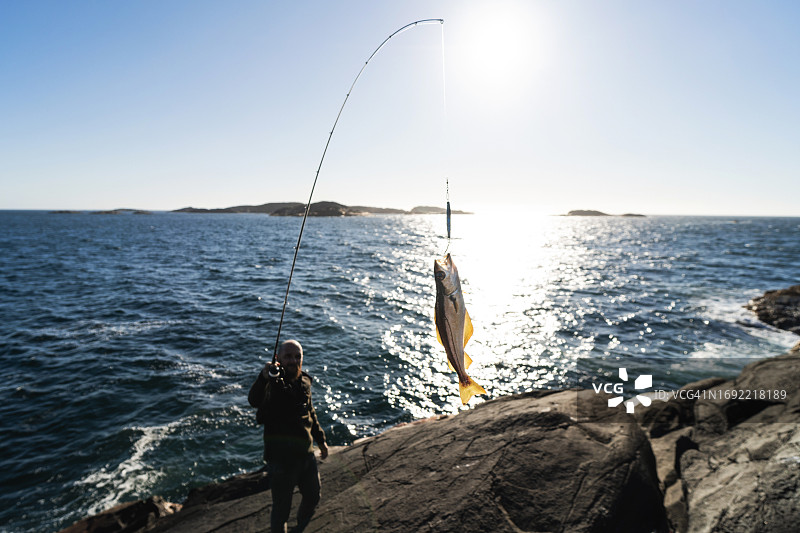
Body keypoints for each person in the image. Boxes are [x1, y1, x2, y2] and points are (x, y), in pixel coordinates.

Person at [248, 339, 329, 533]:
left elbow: (311, 413)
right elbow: (254, 400)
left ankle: (300, 526)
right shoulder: (271, 383)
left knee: (313, 496)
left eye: (297, 356)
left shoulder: (304, 382)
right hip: (281, 462)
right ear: (278, 358)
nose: (293, 361)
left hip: (306, 455)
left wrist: (321, 441)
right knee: (281, 510)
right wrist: (263, 377)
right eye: (288, 356)